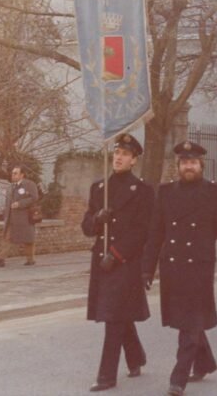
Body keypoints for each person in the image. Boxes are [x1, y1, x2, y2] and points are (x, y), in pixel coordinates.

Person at [142, 141, 217, 396]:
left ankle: (178, 377)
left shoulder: (214, 193)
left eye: (193, 162)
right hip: (172, 266)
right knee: (184, 320)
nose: (189, 166)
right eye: (184, 163)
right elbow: (156, 233)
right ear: (178, 166)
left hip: (199, 267)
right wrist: (147, 268)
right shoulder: (165, 193)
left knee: (189, 320)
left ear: (201, 165)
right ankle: (205, 362)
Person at [81, 134, 153, 392]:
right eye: (117, 153)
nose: (119, 157)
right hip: (101, 260)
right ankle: (136, 357)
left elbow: (142, 231)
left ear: (134, 160)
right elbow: (86, 227)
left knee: (112, 315)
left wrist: (117, 253)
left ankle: (106, 376)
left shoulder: (142, 191)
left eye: (125, 154)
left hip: (124, 262)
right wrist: (98, 219)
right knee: (118, 313)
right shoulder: (100, 188)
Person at [0, 165, 39, 267]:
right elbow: (8, 203)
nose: (13, 175)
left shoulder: (29, 184)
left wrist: (20, 203)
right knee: (7, 237)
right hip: (11, 218)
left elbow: (34, 198)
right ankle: (0, 258)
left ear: (22, 175)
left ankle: (31, 259)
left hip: (24, 217)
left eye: (15, 173)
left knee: (28, 239)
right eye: (12, 173)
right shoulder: (11, 186)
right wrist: (5, 215)